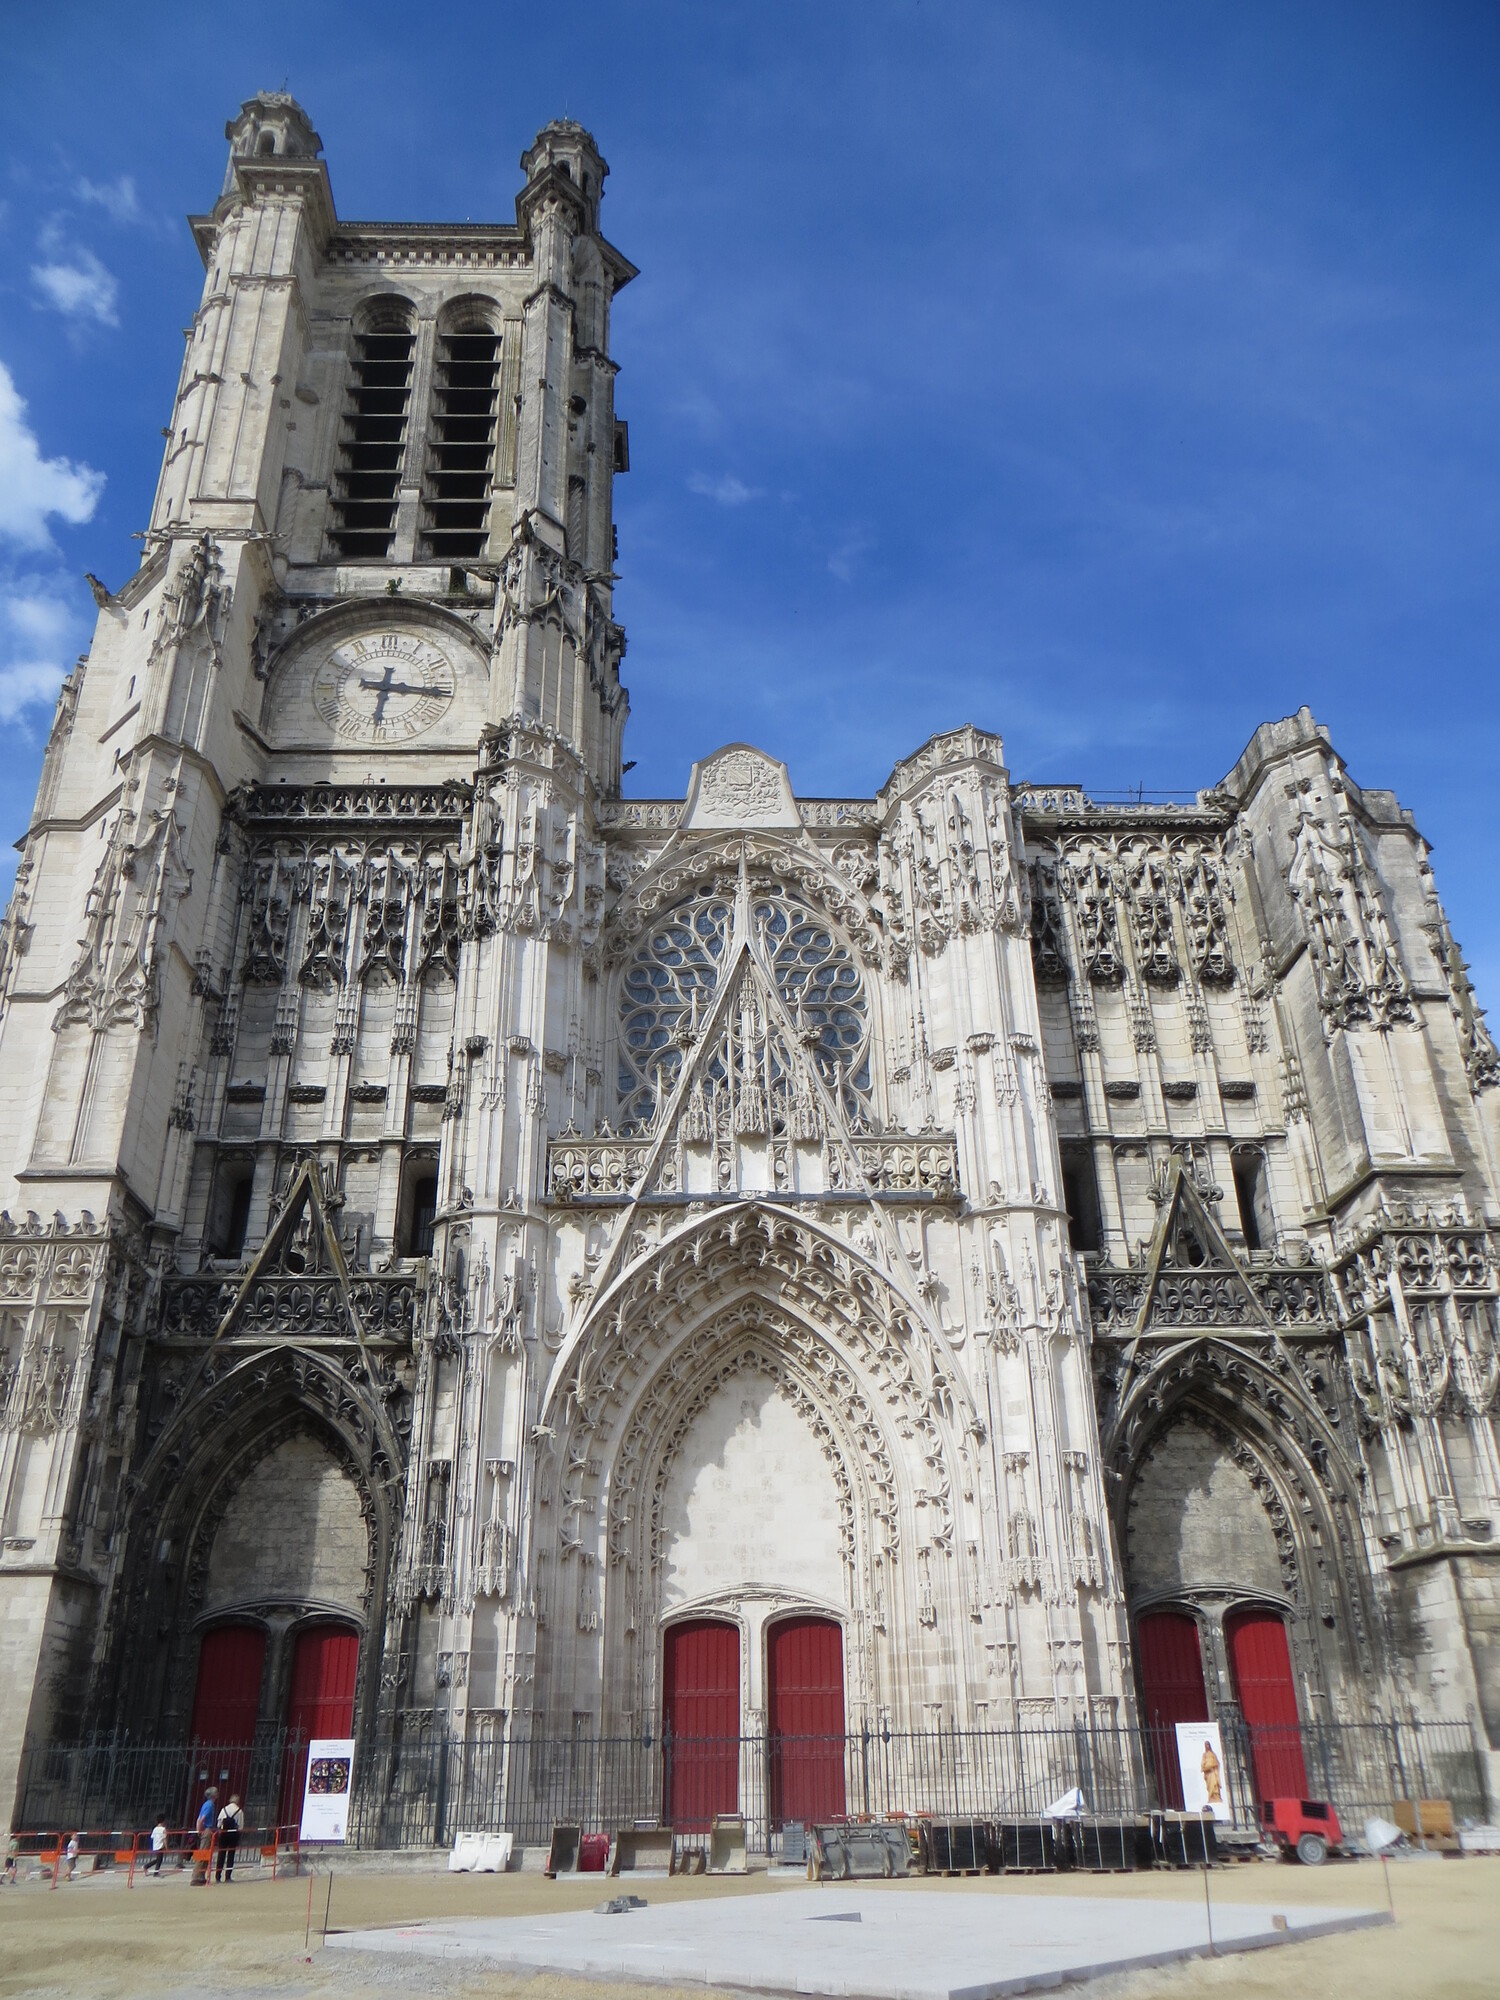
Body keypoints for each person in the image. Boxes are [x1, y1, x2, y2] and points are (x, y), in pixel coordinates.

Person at [214, 1794, 245, 1882]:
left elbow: (219, 1823)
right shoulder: (239, 1811)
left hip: (223, 1834)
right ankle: (228, 1876)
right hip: (233, 1835)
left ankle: (218, 1876)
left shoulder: (224, 1809)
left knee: (221, 1854)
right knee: (231, 1855)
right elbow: (241, 1826)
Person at [191, 1787, 217, 1885]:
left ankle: (200, 1876)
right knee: (203, 1853)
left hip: (205, 1829)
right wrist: (199, 1831)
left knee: (204, 1854)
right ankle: (197, 1876)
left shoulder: (207, 1804)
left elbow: (199, 1819)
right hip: (206, 1829)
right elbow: (202, 1819)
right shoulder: (209, 1805)